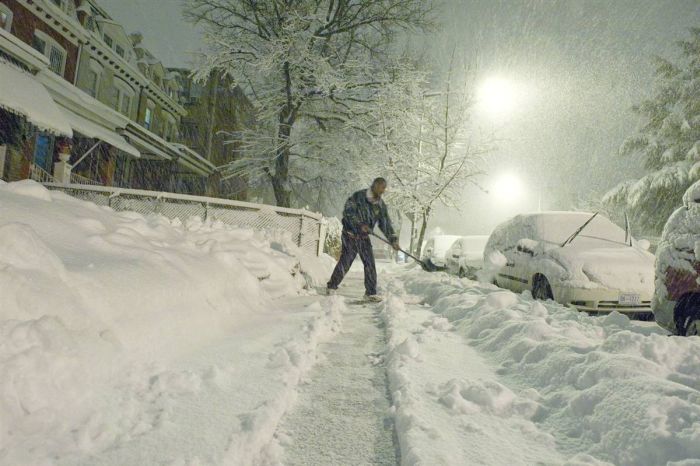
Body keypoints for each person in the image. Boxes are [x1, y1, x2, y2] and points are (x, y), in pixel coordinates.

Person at [326, 177, 400, 301]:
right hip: (350, 235)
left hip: (363, 238)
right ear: (375, 185)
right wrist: (360, 224)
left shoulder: (380, 206)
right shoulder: (358, 197)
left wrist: (393, 240)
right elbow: (348, 212)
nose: (383, 191)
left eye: (384, 188)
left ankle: (370, 293)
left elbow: (385, 224)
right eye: (381, 187)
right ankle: (331, 286)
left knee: (370, 263)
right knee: (346, 261)